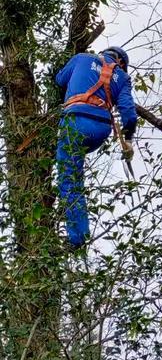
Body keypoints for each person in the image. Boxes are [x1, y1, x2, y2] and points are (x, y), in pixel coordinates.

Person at [55, 46, 137, 249]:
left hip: (75, 122)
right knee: (75, 173)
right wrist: (128, 140)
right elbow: (129, 114)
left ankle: (77, 237)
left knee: (70, 179)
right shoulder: (123, 79)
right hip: (100, 129)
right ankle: (77, 230)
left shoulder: (81, 58)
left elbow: (59, 80)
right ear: (121, 64)